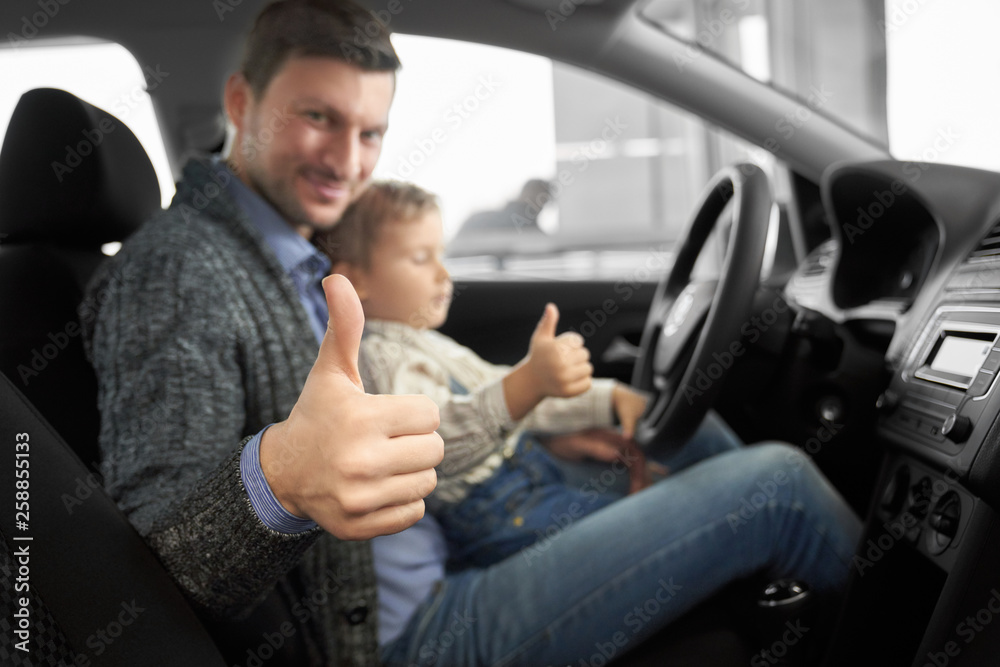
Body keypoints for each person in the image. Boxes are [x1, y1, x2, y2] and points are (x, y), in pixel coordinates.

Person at [313, 180, 863, 666]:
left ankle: (761, 573)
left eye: (443, 254)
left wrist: (606, 399)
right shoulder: (380, 359)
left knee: (689, 433)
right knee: (778, 484)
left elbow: (514, 400)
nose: (443, 273)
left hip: (522, 482)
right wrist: (527, 383)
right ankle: (900, 630)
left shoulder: (423, 341)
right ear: (355, 282)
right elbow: (437, 445)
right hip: (502, 514)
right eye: (419, 259)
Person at [82, 2, 443, 664]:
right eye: (318, 117)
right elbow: (155, 557)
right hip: (394, 635)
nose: (346, 161)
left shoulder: (297, 254)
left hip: (433, 566)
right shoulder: (177, 268)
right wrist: (279, 478)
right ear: (242, 102)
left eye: (371, 133)